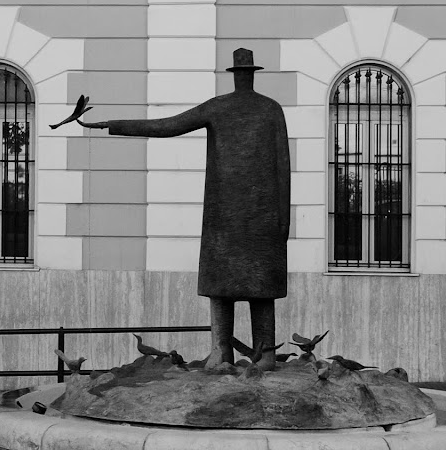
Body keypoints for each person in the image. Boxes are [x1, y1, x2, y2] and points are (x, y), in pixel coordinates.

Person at [54, 48, 290, 370]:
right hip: (242, 217)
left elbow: (169, 125)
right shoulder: (264, 108)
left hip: (239, 217)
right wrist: (110, 125)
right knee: (233, 289)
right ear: (248, 73)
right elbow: (169, 126)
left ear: (237, 74)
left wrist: (109, 124)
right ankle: (240, 353)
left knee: (242, 289)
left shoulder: (243, 108)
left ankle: (244, 353)